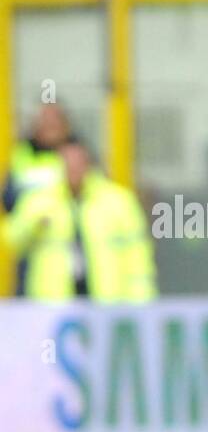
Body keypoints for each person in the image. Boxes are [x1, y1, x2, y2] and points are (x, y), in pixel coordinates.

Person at [3, 142, 156, 302]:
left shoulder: (118, 201)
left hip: (107, 300)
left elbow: (138, 253)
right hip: (53, 304)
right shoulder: (39, 201)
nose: (74, 172)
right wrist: (33, 224)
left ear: (88, 166)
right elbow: (12, 241)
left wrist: (142, 297)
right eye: (69, 166)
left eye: (78, 166)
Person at [3, 103, 73, 212]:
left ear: (65, 125)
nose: (50, 127)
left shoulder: (78, 154)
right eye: (45, 121)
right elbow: (8, 198)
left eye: (54, 123)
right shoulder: (22, 153)